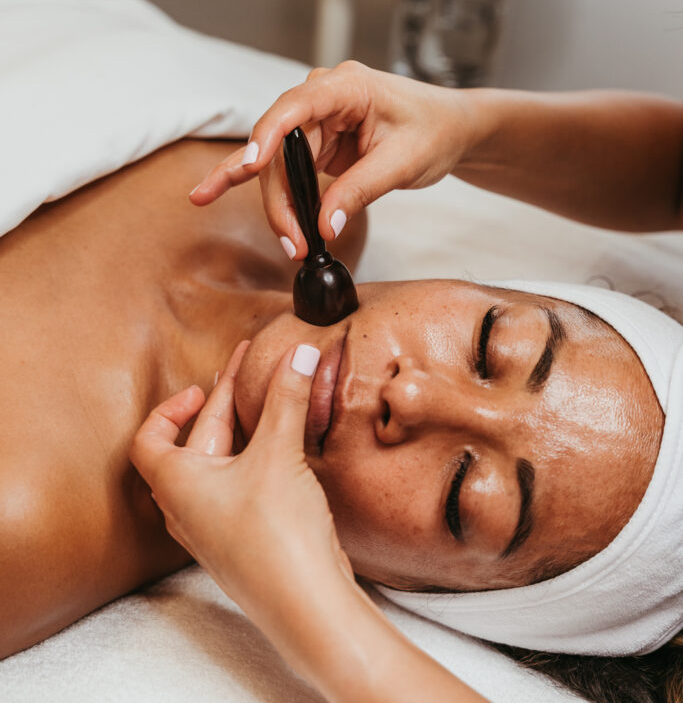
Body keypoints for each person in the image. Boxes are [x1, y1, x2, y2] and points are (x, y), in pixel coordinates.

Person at [1, 62, 681, 703]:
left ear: (411, 591)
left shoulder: (24, 526)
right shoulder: (301, 190)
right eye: (489, 346)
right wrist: (468, 122)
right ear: (487, 285)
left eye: (459, 497)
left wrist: (305, 604)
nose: (410, 398)